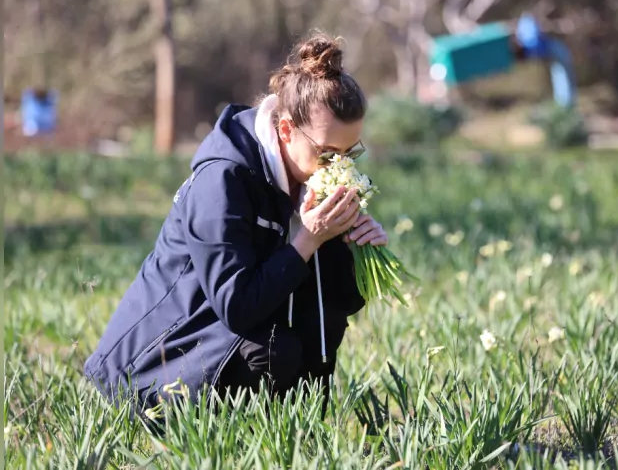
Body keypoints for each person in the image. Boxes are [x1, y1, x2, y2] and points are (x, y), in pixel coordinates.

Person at [83, 32, 389, 422]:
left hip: (218, 340)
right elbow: (238, 306)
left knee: (318, 323)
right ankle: (213, 439)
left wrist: (352, 246)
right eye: (327, 153)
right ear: (285, 130)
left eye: (350, 153)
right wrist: (308, 239)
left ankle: (295, 435)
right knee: (274, 349)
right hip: (147, 368)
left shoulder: (304, 180)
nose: (338, 166)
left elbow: (338, 302)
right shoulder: (223, 182)